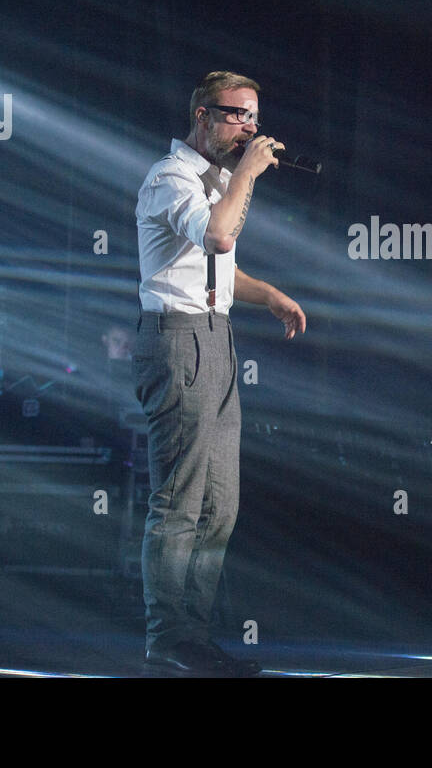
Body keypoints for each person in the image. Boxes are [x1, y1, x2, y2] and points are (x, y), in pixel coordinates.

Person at [133, 70, 306, 676]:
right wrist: (248, 174)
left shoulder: (217, 180)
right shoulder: (170, 179)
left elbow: (223, 271)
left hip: (218, 338)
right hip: (177, 342)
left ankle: (192, 636)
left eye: (253, 116)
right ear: (202, 116)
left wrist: (270, 296)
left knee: (220, 504)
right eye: (235, 115)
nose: (248, 127)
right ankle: (165, 638)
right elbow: (217, 236)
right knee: (179, 498)